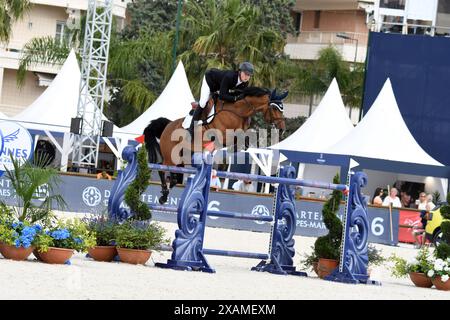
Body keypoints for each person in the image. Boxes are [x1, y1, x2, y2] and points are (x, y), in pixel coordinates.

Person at [187, 62, 254, 136]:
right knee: (203, 103)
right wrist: (235, 98)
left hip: (220, 87)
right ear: (240, 71)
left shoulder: (245, 83)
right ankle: (191, 128)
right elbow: (222, 96)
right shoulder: (230, 77)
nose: (247, 77)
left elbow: (238, 95)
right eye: (245, 74)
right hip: (210, 81)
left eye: (249, 75)